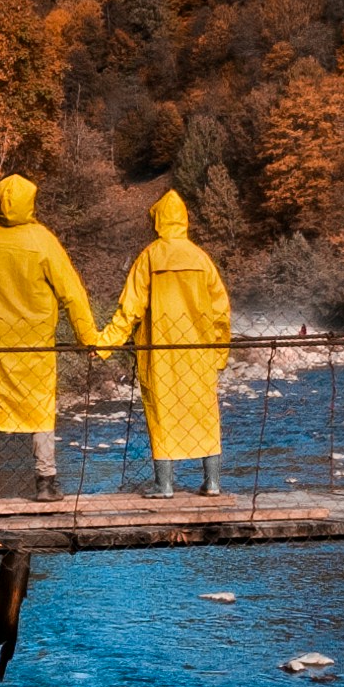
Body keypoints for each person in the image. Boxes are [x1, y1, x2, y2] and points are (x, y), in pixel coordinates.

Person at [0, 173, 100, 502]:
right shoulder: (42, 240)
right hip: (35, 343)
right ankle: (46, 481)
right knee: (41, 409)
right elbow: (71, 293)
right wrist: (89, 338)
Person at [96, 189, 231, 496]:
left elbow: (129, 309)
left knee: (162, 414)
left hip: (159, 351)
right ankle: (212, 482)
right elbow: (221, 312)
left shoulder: (150, 257)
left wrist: (105, 344)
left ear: (157, 220)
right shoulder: (201, 259)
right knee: (205, 413)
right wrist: (219, 354)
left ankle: (164, 484)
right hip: (198, 352)